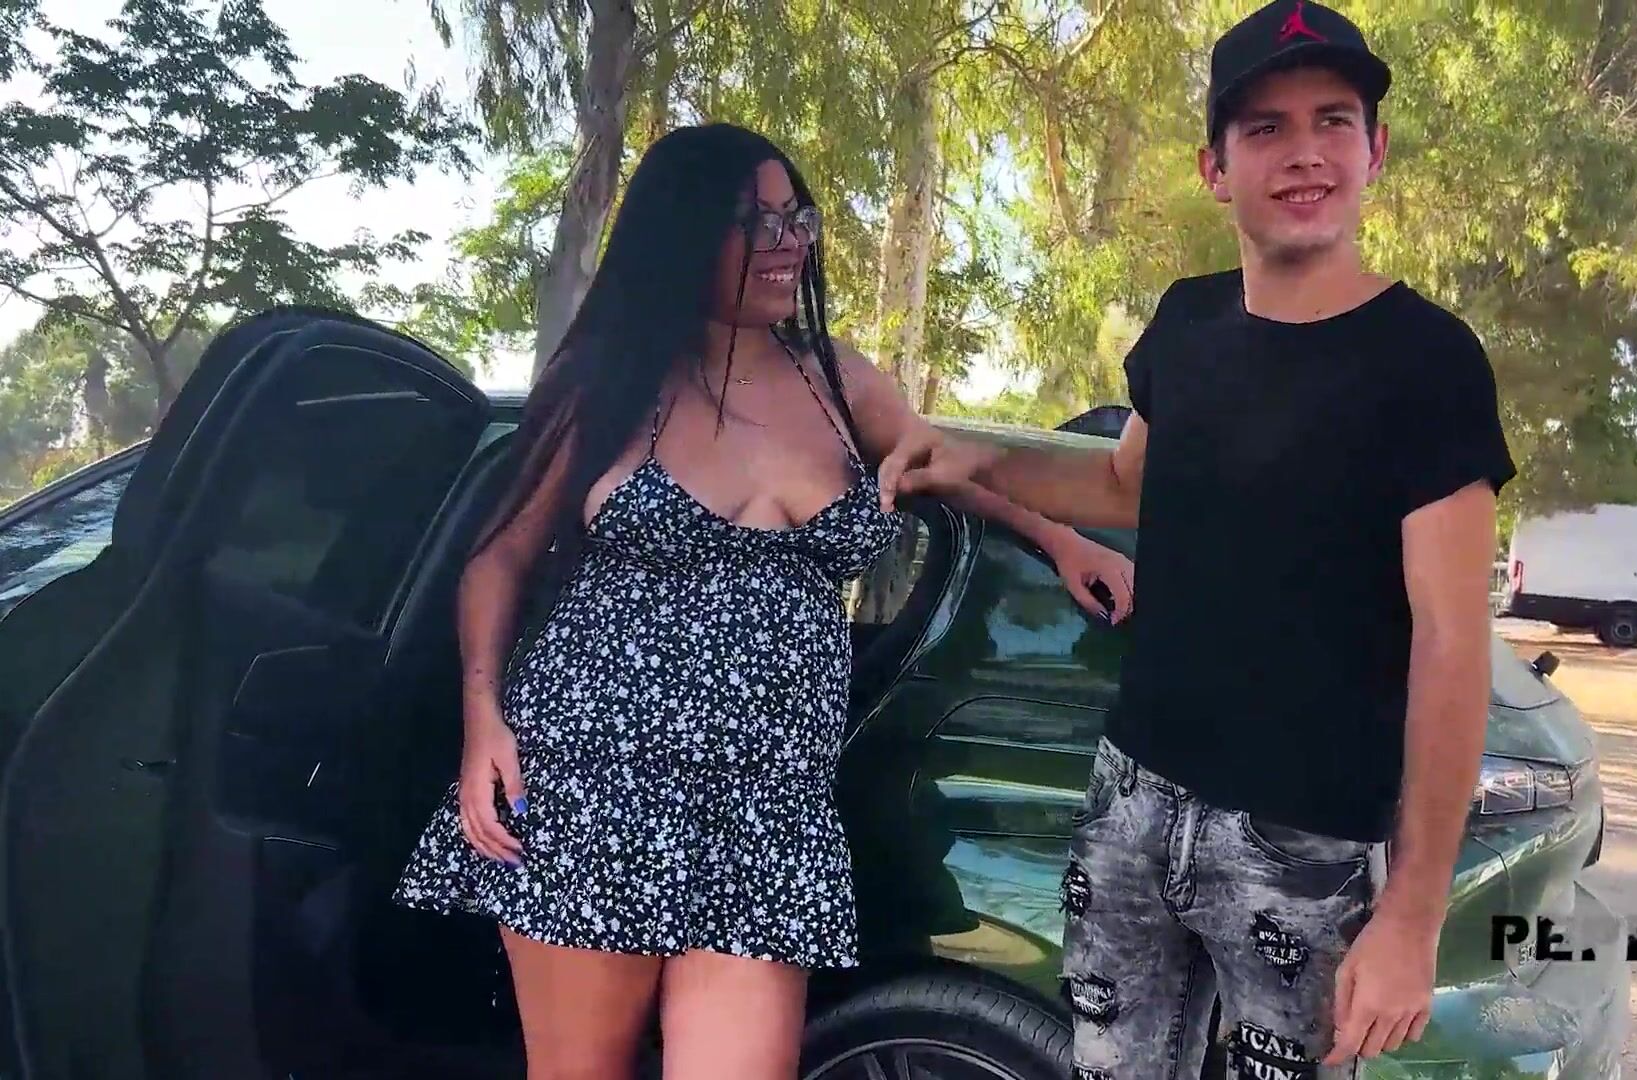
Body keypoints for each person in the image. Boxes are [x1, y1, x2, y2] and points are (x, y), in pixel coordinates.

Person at [391, 122, 1135, 1080]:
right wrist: (482, 723)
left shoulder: (840, 382)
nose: (788, 243)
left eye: (797, 218)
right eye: (755, 222)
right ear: (682, 235)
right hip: (595, 784)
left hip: (769, 810)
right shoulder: (605, 383)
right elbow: (497, 559)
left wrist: (1060, 538)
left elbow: (940, 470)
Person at [876, 2, 1518, 1077]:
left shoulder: (1428, 362)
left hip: (1304, 844)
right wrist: (976, 461)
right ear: (1216, 168)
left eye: (1333, 120)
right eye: (1265, 128)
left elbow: (1452, 646)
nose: (1304, 152)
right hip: (1134, 797)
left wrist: (1411, 916)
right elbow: (1123, 484)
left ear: (1375, 149)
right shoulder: (1187, 321)